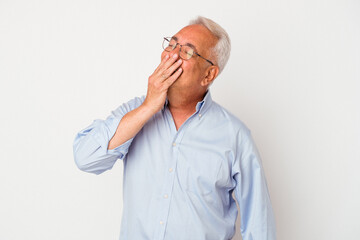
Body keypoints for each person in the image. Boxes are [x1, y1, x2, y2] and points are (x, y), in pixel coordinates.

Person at [73, 16, 276, 240]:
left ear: (209, 74)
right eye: (171, 44)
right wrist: (148, 107)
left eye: (187, 51)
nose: (171, 55)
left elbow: (259, 225)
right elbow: (86, 158)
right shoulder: (134, 112)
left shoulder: (234, 136)